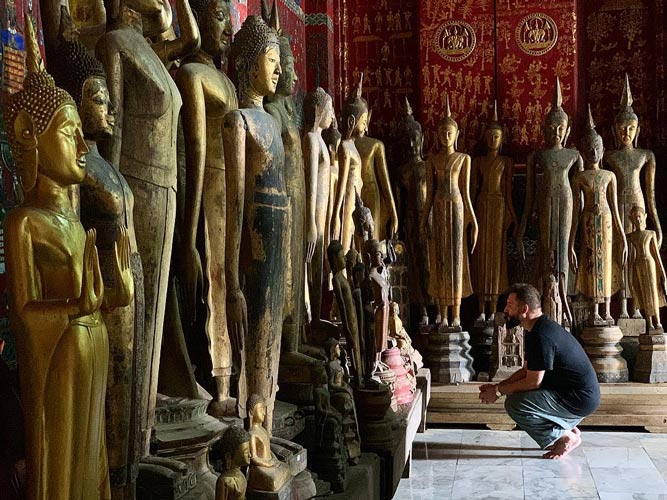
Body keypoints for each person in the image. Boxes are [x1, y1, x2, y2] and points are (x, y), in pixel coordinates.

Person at [479, 283, 600, 459]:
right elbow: (527, 370)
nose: (505, 310)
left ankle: (566, 437)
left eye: (510, 306)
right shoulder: (537, 329)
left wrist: (498, 392)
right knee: (516, 395)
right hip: (575, 395)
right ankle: (564, 426)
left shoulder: (541, 335)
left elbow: (532, 382)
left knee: (516, 404)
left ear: (524, 309)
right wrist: (498, 386)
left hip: (579, 399)